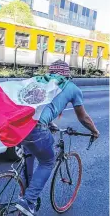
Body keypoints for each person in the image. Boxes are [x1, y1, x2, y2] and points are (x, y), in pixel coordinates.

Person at [15, 59, 100, 216]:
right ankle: (28, 201)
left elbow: (40, 107)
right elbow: (83, 118)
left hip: (19, 127)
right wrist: (94, 131)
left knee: (30, 157)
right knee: (48, 161)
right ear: (67, 75)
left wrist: (50, 123)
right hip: (36, 130)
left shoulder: (41, 82)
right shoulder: (71, 88)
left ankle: (24, 196)